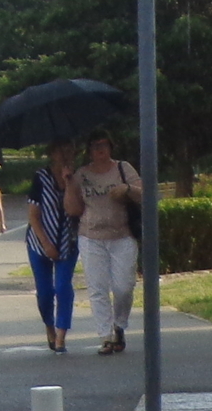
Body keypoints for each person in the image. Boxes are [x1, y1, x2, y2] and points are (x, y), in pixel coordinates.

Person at [70, 133, 141, 354]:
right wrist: (68, 182)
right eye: (94, 146)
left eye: (103, 145)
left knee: (124, 287)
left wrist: (127, 190)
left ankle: (119, 325)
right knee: (97, 288)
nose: (99, 150)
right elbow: (72, 209)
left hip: (122, 235)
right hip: (91, 237)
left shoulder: (123, 168)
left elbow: (144, 194)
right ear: (88, 151)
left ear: (111, 147)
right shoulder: (81, 174)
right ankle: (106, 336)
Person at [26, 142, 80, 354]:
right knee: (45, 292)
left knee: (63, 287)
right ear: (52, 155)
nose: (65, 154)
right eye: (61, 150)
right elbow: (33, 215)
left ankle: (60, 336)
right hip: (39, 243)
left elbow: (76, 210)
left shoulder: (78, 178)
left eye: (69, 150)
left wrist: (69, 183)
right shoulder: (40, 178)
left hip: (68, 242)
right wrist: (46, 244)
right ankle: (49, 325)